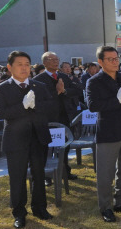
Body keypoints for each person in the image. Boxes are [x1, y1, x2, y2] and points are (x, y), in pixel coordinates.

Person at [0, 51, 53, 229]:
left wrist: (35, 105)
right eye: (20, 64)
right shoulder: (1, 88)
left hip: (37, 136)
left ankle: (40, 208)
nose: (24, 67)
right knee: (17, 177)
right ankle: (19, 212)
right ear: (9, 67)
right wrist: (22, 106)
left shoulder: (39, 86)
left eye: (27, 64)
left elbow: (50, 106)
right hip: (16, 139)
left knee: (39, 174)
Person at [86, 46, 121, 223]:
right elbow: (93, 106)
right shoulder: (94, 82)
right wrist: (117, 100)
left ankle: (120, 201)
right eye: (110, 59)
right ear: (101, 62)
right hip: (108, 132)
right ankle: (105, 207)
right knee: (105, 173)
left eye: (116, 58)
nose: (115, 62)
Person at [33, 51, 84, 180]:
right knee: (48, 147)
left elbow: (77, 90)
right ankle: (47, 176)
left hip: (65, 116)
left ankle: (65, 171)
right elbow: (40, 101)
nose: (56, 62)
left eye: (57, 59)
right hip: (49, 118)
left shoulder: (64, 76)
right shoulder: (38, 80)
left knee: (64, 146)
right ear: (45, 62)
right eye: (52, 59)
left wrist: (64, 91)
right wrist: (56, 92)